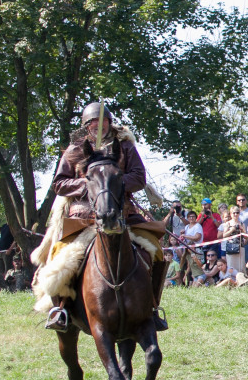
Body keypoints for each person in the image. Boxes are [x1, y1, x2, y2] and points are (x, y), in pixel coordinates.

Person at [39, 102, 168, 331]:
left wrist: (113, 184)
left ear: (109, 122)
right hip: (84, 217)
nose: (99, 127)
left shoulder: (125, 146)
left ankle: (151, 307)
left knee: (156, 252)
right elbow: (59, 183)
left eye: (104, 122)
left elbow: (138, 177)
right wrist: (90, 185)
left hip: (123, 214)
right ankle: (61, 310)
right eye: (94, 124)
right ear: (86, 125)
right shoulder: (75, 149)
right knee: (61, 257)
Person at [220, 207, 245, 273]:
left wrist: (242, 230)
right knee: (231, 264)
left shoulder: (242, 223)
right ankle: (231, 278)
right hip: (231, 247)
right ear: (231, 214)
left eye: (237, 212)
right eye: (234, 213)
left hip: (240, 246)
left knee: (241, 264)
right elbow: (224, 235)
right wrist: (232, 230)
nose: (235, 214)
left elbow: (246, 236)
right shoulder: (228, 224)